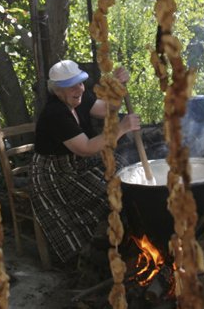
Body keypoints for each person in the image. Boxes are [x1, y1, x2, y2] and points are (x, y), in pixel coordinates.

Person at [31, 59, 141, 263]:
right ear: (57, 90)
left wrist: (118, 86)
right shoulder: (55, 113)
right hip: (56, 172)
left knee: (124, 171)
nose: (79, 89)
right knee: (108, 191)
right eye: (71, 86)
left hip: (79, 162)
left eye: (80, 83)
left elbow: (109, 108)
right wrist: (121, 128)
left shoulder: (80, 97)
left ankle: (125, 235)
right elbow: (87, 147)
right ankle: (91, 248)